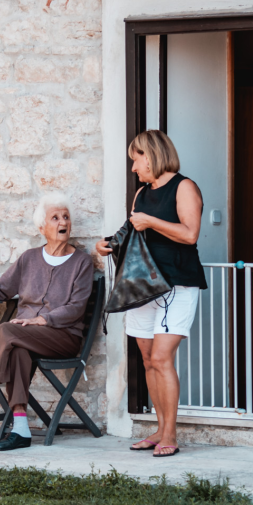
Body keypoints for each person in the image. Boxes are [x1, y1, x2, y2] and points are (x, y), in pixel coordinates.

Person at [0, 193, 94, 451]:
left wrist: (42, 320)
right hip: (25, 335)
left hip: (63, 336)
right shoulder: (29, 258)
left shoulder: (81, 262)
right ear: (42, 228)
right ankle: (21, 430)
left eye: (66, 217)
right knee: (18, 351)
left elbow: (76, 308)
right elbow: (0, 288)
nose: (64, 222)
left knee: (7, 330)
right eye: (56, 217)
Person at [96, 130, 207, 458]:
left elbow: (190, 234)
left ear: (153, 155)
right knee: (146, 359)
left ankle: (171, 434)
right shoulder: (141, 195)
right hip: (143, 287)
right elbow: (132, 230)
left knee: (161, 358)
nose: (133, 167)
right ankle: (158, 429)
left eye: (136, 158)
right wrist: (108, 244)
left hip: (178, 284)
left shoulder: (185, 187)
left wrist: (151, 221)